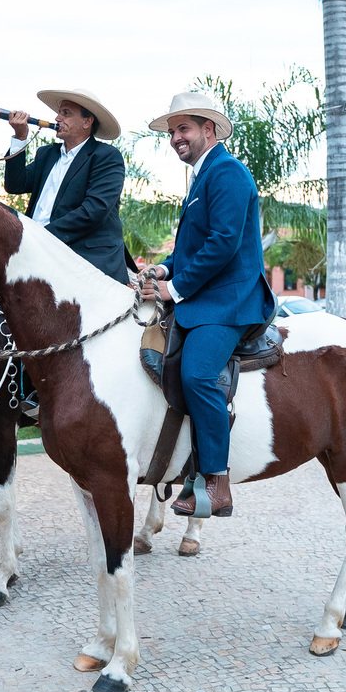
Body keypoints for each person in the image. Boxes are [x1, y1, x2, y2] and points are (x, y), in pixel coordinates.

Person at [138, 92, 276, 519]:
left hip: (230, 300)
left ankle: (216, 482)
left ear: (208, 130)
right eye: (172, 131)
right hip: (206, 295)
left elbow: (222, 245)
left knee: (197, 373)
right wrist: (162, 271)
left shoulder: (228, 172)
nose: (176, 138)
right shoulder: (202, 176)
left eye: (184, 128)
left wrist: (173, 290)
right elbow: (190, 248)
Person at [5, 88, 131, 282]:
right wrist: (20, 138)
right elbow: (15, 185)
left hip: (84, 258)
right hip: (35, 253)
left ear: (86, 122)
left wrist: (41, 237)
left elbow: (94, 211)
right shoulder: (46, 154)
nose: (57, 118)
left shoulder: (106, 157)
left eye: (66, 113)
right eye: (59, 112)